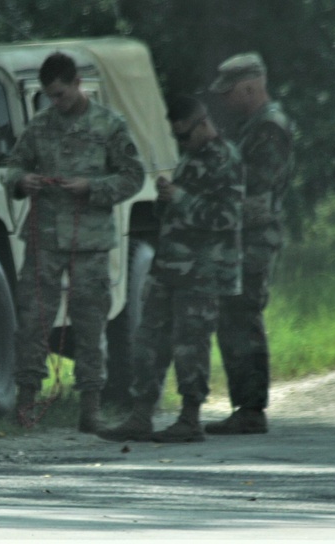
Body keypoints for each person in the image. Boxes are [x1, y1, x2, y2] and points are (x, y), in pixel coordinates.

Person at [4, 51, 144, 434]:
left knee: (89, 322)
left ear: (78, 84)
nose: (56, 102)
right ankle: (26, 404)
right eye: (50, 95)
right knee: (32, 319)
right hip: (44, 237)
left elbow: (133, 176)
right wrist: (22, 181)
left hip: (90, 240)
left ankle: (90, 407)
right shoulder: (40, 127)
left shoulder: (109, 125)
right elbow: (13, 167)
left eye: (61, 94)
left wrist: (93, 188)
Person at [98, 95, 244, 443]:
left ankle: (190, 418)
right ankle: (140, 414)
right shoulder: (189, 159)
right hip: (169, 268)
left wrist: (180, 198)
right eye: (175, 137)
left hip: (202, 271)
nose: (180, 143)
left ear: (203, 123)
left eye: (184, 136)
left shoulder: (226, 159)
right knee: (148, 339)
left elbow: (229, 217)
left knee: (190, 344)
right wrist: (165, 200)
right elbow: (178, 214)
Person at [205, 52, 295, 436]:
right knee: (233, 318)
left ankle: (252, 408)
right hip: (243, 237)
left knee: (244, 320)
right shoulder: (253, 126)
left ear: (250, 87)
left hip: (254, 239)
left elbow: (256, 191)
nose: (226, 100)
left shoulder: (268, 128)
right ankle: (245, 405)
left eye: (231, 93)